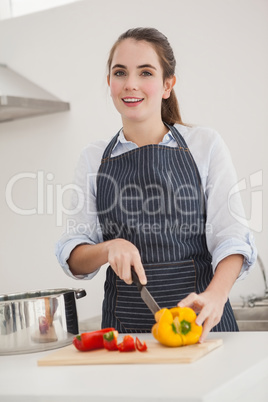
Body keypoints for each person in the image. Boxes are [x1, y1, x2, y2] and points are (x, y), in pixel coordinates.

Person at [56, 27, 257, 342]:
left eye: (145, 72)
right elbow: (74, 255)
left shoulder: (205, 145)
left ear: (167, 85)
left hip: (205, 328)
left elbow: (232, 239)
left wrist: (216, 296)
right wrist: (110, 248)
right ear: (109, 82)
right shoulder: (93, 158)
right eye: (120, 72)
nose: (131, 84)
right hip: (128, 338)